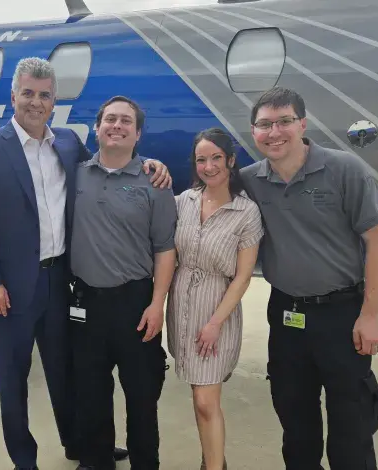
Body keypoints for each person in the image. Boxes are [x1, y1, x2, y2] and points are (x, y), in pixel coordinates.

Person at [0, 59, 171, 470]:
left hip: (60, 281)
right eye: (28, 93)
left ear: (54, 101)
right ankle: (24, 458)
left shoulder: (68, 144)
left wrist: (151, 165)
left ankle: (81, 445)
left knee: (67, 373)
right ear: (14, 96)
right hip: (9, 288)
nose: (36, 102)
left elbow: (111, 164)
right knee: (13, 378)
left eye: (44, 95)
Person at [240, 87, 378, 470]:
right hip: (286, 314)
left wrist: (370, 315)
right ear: (253, 132)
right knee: (295, 421)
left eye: (284, 122)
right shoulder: (250, 180)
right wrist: (151, 168)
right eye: (264, 125)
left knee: (352, 424)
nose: (274, 132)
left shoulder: (344, 169)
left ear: (302, 124)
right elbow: (203, 187)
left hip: (341, 313)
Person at [68, 95, 177, 470]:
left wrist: (157, 303)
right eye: (110, 119)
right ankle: (97, 461)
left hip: (135, 304)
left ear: (138, 133)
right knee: (91, 392)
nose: (117, 125)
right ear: (96, 128)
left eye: (125, 121)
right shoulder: (75, 175)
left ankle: (145, 463)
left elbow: (165, 248)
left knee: (142, 396)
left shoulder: (154, 182)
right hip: (85, 304)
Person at [165, 128, 264, 470]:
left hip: (216, 309)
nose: (208, 166)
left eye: (216, 158)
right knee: (199, 393)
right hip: (181, 306)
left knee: (207, 400)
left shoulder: (246, 213)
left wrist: (214, 323)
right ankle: (211, 459)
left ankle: (215, 466)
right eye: (201, 159)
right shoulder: (183, 201)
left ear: (231, 160)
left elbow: (242, 276)